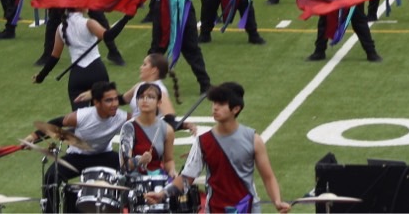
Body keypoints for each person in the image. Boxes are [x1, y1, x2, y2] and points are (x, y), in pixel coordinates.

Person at [147, 82, 290, 213]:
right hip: (215, 209)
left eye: (221, 104)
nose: (215, 107)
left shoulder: (253, 139)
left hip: (247, 208)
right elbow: (187, 178)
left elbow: (268, 177)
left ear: (236, 109)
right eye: (214, 102)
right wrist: (163, 193)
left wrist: (277, 200)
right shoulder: (203, 141)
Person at [30, 80, 127, 213]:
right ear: (97, 103)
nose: (115, 104)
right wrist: (33, 137)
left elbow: (142, 119)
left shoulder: (122, 117)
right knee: (51, 177)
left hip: (104, 156)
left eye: (116, 99)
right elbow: (57, 123)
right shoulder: (82, 116)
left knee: (129, 171)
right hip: (77, 157)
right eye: (109, 100)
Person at [35, 9, 111, 109]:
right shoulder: (89, 23)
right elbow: (109, 36)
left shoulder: (61, 28)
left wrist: (41, 76)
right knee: (103, 117)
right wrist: (125, 19)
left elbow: (54, 57)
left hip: (77, 76)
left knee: (80, 119)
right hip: (97, 72)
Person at [120, 82, 176, 178]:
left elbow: (168, 160)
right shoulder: (129, 128)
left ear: (159, 103)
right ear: (137, 101)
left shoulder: (167, 129)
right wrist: (139, 160)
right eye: (141, 97)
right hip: (133, 180)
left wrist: (172, 171)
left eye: (150, 97)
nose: (145, 100)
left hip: (157, 179)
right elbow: (124, 165)